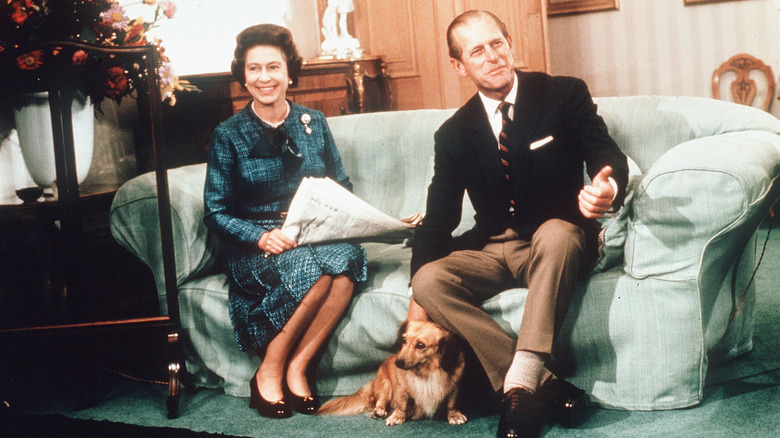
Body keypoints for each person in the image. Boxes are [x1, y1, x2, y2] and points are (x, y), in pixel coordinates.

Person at [407, 10, 629, 438]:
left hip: (556, 241)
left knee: (558, 233)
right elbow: (439, 219)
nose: (492, 56)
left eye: (497, 43)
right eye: (477, 51)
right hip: (491, 249)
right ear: (459, 66)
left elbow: (605, 152)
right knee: (430, 279)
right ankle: (545, 387)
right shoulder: (453, 133)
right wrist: (416, 295)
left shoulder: (562, 94)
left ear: (510, 43)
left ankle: (519, 385)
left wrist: (609, 188)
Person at [204, 24, 367, 419]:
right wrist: (260, 238)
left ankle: (297, 368)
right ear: (243, 76)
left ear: (289, 72)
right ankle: (268, 373)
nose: (265, 78)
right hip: (256, 246)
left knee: (348, 261)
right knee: (317, 272)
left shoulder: (314, 121)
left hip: (311, 234)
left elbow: (339, 184)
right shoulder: (228, 134)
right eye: (255, 69)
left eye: (273, 67)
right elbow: (216, 210)